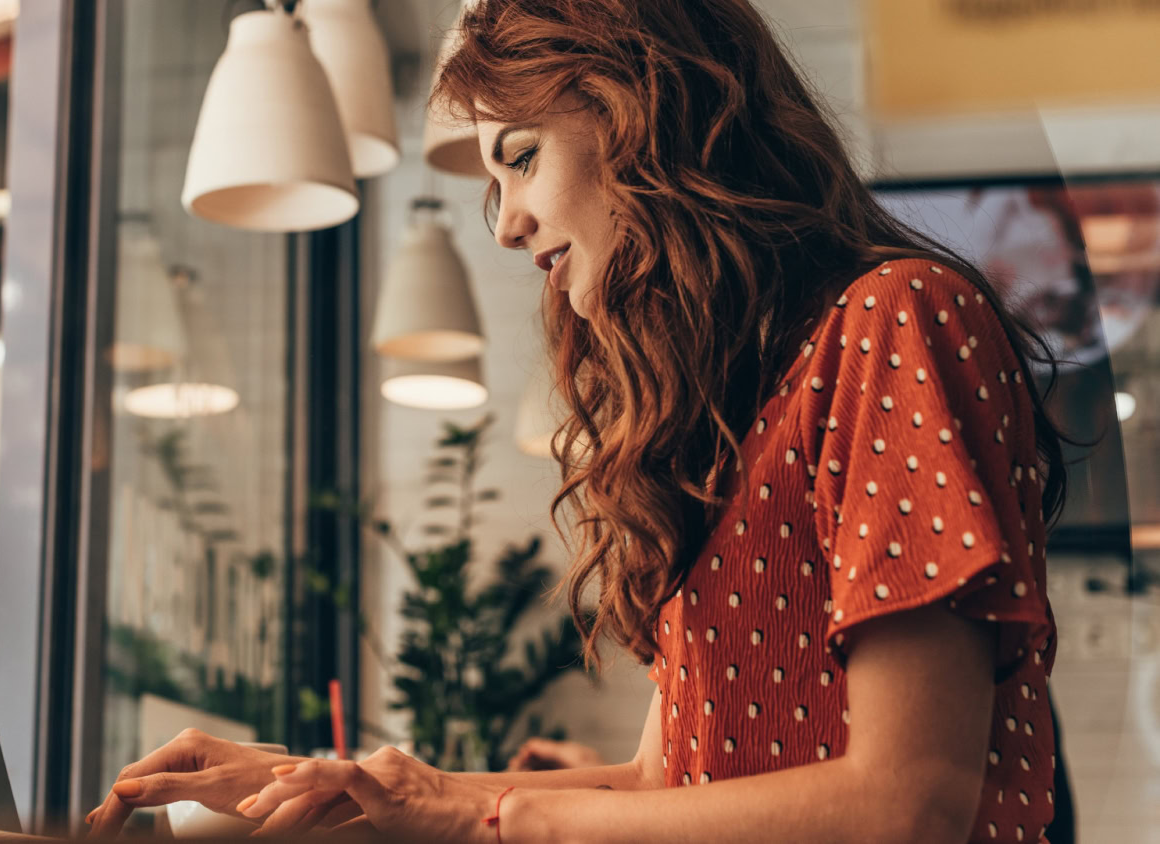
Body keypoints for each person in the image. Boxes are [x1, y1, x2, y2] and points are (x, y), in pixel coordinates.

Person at [87, 1, 1069, 840]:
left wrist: (485, 815)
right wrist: (347, 787)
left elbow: (912, 798)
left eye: (520, 158)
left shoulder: (893, 317)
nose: (507, 222)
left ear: (645, 109)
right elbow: (668, 780)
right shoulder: (738, 412)